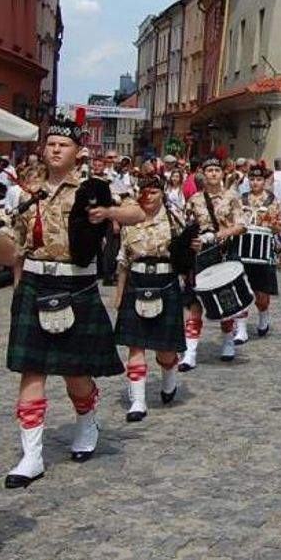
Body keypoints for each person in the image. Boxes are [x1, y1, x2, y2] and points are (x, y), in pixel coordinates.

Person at [0, 110, 144, 489]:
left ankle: (86, 422)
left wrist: (108, 212)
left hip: (76, 285)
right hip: (36, 282)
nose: (55, 149)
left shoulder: (94, 186)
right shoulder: (27, 190)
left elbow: (138, 212)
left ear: (77, 151)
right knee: (31, 372)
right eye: (51, 143)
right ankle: (31, 456)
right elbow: (15, 246)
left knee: (76, 375)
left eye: (63, 144)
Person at [114, 174, 185, 422]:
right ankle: (138, 401)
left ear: (162, 194)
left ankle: (169, 375)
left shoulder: (175, 218)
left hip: (166, 281)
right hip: (137, 280)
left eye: (153, 191)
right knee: (135, 344)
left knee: (165, 351)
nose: (148, 196)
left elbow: (186, 253)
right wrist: (119, 293)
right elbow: (123, 259)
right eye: (144, 191)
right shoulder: (130, 219)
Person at [181, 153, 244, 365]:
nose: (214, 174)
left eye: (217, 170)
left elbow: (241, 226)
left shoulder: (231, 197)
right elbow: (186, 228)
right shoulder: (195, 200)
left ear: (222, 173)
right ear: (203, 174)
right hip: (200, 255)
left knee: (226, 300)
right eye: (210, 170)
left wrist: (218, 235)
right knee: (194, 302)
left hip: (224, 251)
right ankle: (190, 352)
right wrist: (191, 242)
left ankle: (228, 342)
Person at [235, 164, 281, 341]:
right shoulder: (241, 200)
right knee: (241, 291)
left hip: (263, 252)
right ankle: (241, 330)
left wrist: (274, 226)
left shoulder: (272, 201)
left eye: (259, 179)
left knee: (261, 296)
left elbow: (279, 226)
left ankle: (264, 316)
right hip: (242, 250)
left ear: (264, 181)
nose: (255, 183)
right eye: (252, 179)